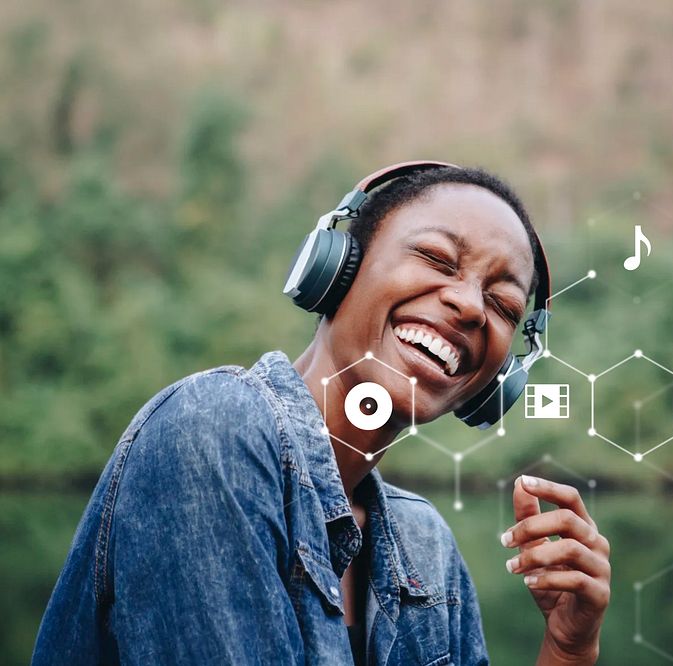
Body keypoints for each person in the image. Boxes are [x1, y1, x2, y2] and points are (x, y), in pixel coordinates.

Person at [33, 163, 611, 665]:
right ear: (338, 265)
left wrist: (568, 648)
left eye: (503, 305)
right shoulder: (211, 430)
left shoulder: (425, 546)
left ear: (499, 379)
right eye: (436, 258)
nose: (467, 304)